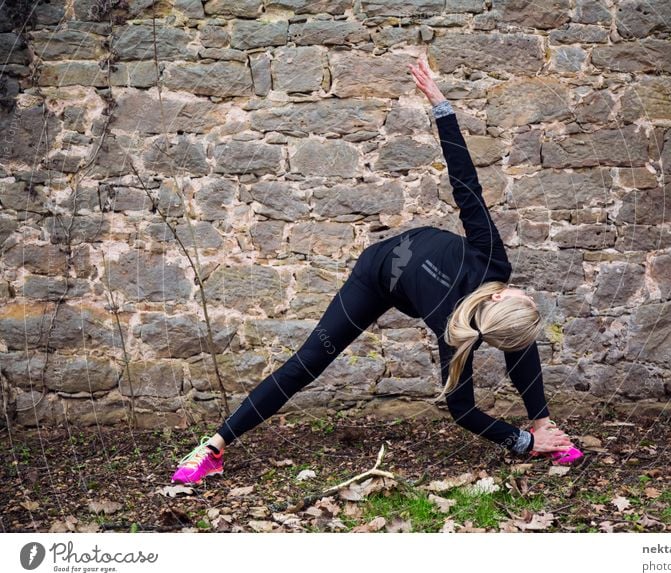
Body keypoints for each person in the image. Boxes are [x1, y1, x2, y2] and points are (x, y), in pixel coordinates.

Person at [171, 55, 583, 485]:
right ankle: (213, 447)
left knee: (521, 335)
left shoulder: (455, 331)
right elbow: (465, 184)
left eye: (523, 298)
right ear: (496, 294)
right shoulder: (491, 261)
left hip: (417, 285)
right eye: (525, 297)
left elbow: (463, 411)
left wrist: (521, 440)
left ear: (498, 300)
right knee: (309, 361)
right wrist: (442, 107)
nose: (528, 294)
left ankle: (542, 427)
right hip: (377, 273)